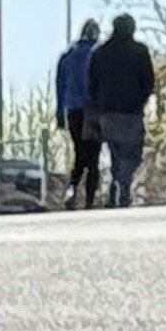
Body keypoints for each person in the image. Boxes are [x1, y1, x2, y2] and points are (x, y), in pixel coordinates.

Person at [88, 9, 159, 207]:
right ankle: (123, 182)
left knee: (115, 153)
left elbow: (92, 84)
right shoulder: (139, 51)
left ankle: (117, 190)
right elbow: (148, 82)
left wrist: (98, 106)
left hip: (107, 112)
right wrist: (143, 100)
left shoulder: (100, 53)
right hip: (131, 110)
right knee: (133, 154)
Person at [55, 20, 105, 205]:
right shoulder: (96, 55)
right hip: (92, 110)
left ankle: (72, 187)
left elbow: (59, 86)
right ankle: (89, 199)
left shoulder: (67, 57)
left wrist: (59, 112)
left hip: (72, 110)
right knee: (93, 157)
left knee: (79, 151)